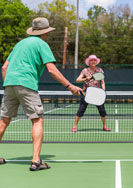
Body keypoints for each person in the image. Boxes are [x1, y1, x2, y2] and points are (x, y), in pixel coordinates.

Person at [0, 17, 82, 171]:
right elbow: (51, 69)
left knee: (4, 121)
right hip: (26, 84)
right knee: (37, 120)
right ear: (45, 32)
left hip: (9, 84)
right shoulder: (42, 44)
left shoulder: (19, 44)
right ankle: (36, 161)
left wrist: (9, 84)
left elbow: (4, 67)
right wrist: (69, 86)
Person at [72, 55, 110, 132]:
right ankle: (74, 126)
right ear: (88, 62)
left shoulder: (99, 70)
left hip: (97, 93)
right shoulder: (85, 71)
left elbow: (102, 82)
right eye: (91, 60)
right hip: (86, 93)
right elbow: (77, 80)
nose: (93, 61)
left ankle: (105, 126)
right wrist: (86, 78)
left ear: (96, 62)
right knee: (81, 110)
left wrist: (103, 91)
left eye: (94, 60)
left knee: (102, 111)